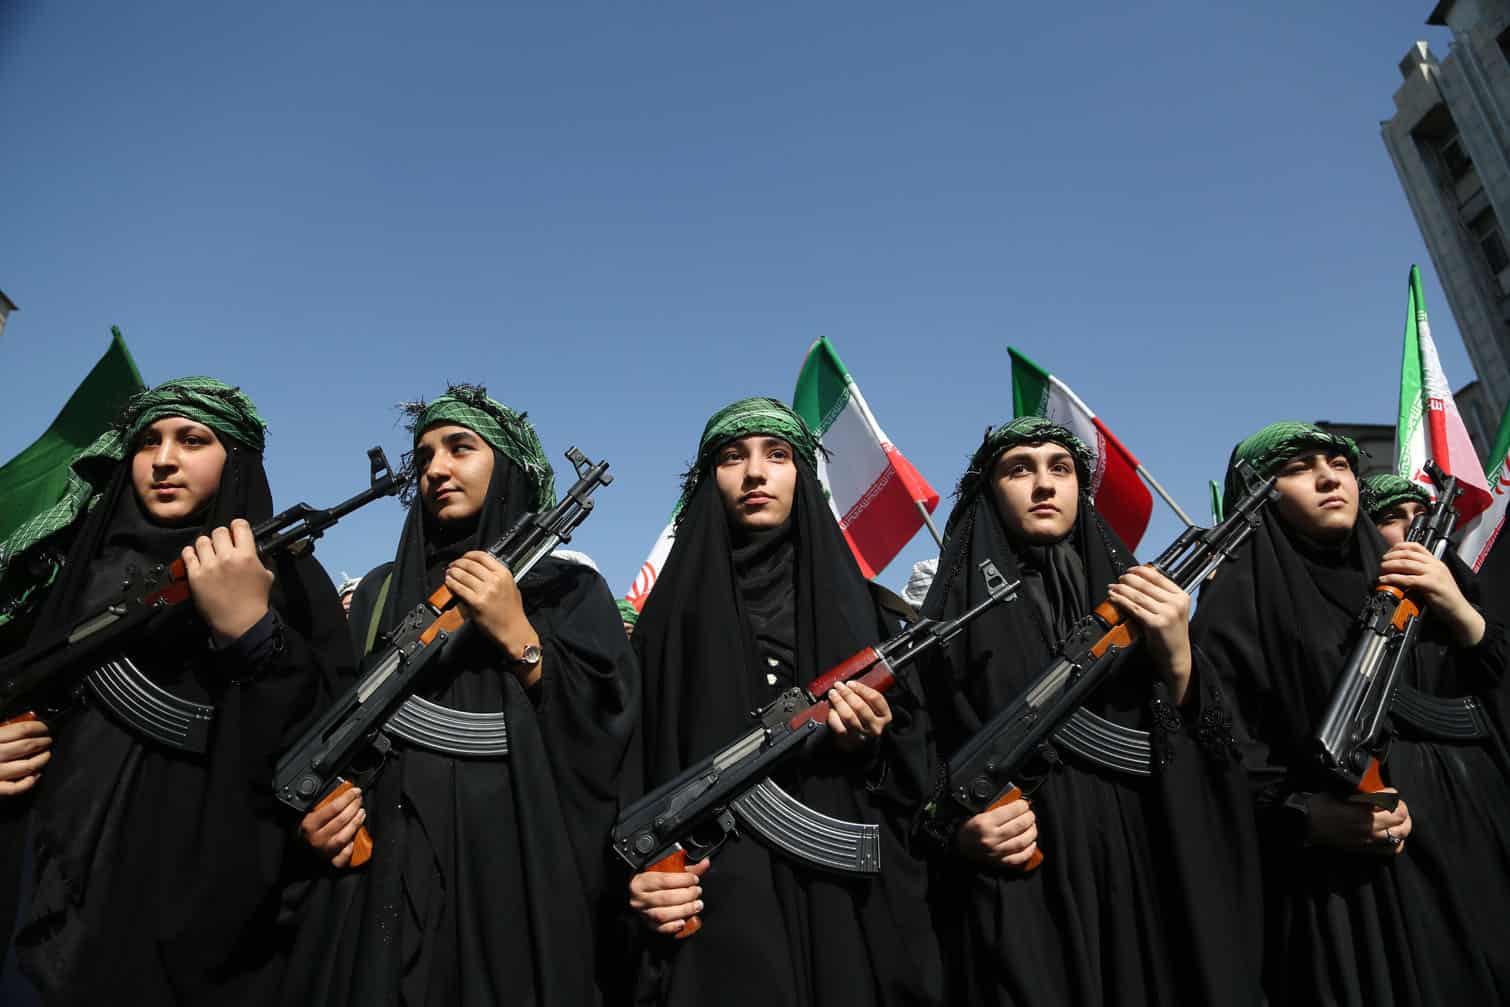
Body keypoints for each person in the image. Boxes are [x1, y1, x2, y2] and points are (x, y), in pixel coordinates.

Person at [284, 383, 639, 1006]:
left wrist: (520, 635)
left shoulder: (570, 593)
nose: (436, 469)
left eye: (460, 449)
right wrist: (321, 818)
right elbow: (323, 722)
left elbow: (611, 737)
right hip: (381, 882)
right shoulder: (377, 596)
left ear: (505, 468)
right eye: (424, 457)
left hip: (514, 878)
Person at [0, 377, 351, 1005]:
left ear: (236, 460)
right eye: (148, 442)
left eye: (193, 440)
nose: (164, 460)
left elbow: (325, 744)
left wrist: (255, 634)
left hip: (186, 917)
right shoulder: (73, 565)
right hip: (36, 883)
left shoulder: (291, 582)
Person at [904, 416, 1261, 1006]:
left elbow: (1224, 761)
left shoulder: (1142, 600)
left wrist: (1178, 660)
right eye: (1021, 469)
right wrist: (956, 834)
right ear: (990, 490)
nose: (1045, 485)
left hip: (1147, 870)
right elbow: (910, 773)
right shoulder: (947, 626)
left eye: (1061, 469)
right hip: (1024, 899)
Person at [625, 397, 939, 1006]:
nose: (755, 474)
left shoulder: (871, 616)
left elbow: (923, 784)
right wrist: (638, 881)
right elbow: (627, 772)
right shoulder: (663, 625)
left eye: (778, 455)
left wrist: (872, 745)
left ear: (804, 477)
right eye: (731, 458)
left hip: (844, 910)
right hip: (714, 912)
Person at [1192, 422, 1510, 1004]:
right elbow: (1219, 751)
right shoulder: (1235, 601)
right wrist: (1305, 817)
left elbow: (1491, 693)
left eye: (1338, 464)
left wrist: (1463, 615)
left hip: (1475, 841)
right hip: (1358, 881)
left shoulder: (1415, 572)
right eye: (1296, 468)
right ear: (1257, 494)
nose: (1328, 477)